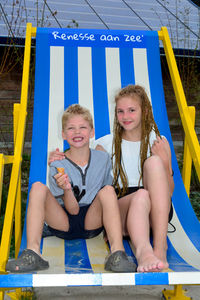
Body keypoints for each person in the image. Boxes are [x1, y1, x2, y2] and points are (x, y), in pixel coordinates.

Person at [49, 85, 174, 273]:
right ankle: (144, 252)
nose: (126, 116)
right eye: (120, 111)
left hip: (157, 212)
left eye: (132, 110)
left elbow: (168, 191)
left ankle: (159, 247)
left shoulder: (158, 141)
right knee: (140, 196)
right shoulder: (105, 143)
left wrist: (165, 163)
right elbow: (83, 161)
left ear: (145, 111)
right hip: (121, 210)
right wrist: (57, 157)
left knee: (154, 163)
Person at [6, 104, 136, 273]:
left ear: (91, 132)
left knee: (108, 191)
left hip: (92, 221)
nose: (77, 132)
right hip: (63, 221)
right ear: (63, 134)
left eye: (82, 127)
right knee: (38, 187)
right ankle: (32, 252)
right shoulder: (57, 163)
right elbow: (73, 210)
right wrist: (66, 188)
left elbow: (107, 199)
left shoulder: (103, 158)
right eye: (71, 128)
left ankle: (117, 253)